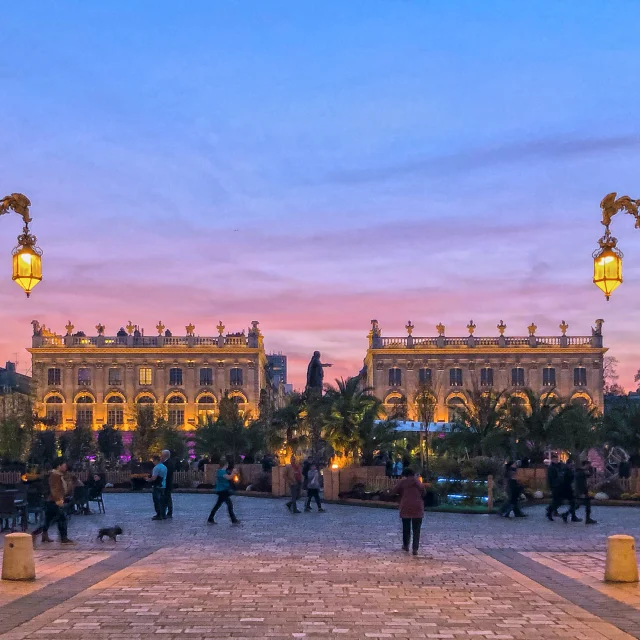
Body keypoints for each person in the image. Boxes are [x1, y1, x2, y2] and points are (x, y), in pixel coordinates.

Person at [31, 457, 74, 544]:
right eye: (64, 465)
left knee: (49, 520)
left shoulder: (58, 475)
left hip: (51, 500)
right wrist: (58, 499)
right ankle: (64, 538)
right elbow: (54, 489)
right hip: (53, 501)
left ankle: (41, 534)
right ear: (59, 466)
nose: (66, 468)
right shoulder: (54, 475)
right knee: (61, 518)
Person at [392, 468, 425, 556]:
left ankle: (406, 545)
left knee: (406, 527)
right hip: (418, 507)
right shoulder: (418, 482)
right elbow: (424, 492)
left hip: (405, 506)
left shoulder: (402, 482)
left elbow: (394, 491)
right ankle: (415, 548)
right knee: (416, 529)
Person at [207, 456, 240, 524]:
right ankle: (233, 519)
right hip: (223, 490)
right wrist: (234, 473)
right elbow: (228, 478)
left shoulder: (220, 471)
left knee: (218, 505)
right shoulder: (221, 472)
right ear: (226, 465)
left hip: (222, 490)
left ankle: (210, 518)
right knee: (229, 505)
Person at [560, 458, 582, 523]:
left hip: (567, 489)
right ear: (569, 464)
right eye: (572, 463)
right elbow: (569, 480)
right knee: (575, 504)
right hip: (568, 490)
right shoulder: (567, 471)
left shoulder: (565, 470)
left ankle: (571, 516)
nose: (573, 465)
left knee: (573, 504)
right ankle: (568, 515)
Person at [575, 459, 597, 524]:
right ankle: (566, 514)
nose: (589, 466)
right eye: (588, 465)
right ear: (586, 465)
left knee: (585, 505)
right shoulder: (581, 472)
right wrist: (581, 492)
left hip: (583, 491)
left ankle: (588, 519)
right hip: (581, 491)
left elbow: (589, 476)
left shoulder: (581, 472)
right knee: (579, 505)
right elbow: (581, 483)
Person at [545, 454, 564, 521]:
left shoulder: (559, 466)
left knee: (558, 500)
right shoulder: (551, 467)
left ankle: (551, 510)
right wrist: (551, 486)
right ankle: (550, 511)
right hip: (555, 486)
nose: (556, 460)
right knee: (556, 500)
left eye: (557, 459)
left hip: (559, 485)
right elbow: (550, 478)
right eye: (555, 459)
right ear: (552, 460)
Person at [149, 455, 168, 520]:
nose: (153, 462)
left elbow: (154, 478)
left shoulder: (156, 468)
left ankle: (158, 514)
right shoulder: (164, 467)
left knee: (157, 501)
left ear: (156, 460)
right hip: (163, 485)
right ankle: (163, 514)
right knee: (162, 501)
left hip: (157, 485)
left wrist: (148, 479)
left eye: (153, 460)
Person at [162, 450, 175, 519]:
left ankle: (167, 512)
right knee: (167, 498)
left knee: (167, 497)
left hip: (167, 483)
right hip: (168, 483)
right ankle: (166, 512)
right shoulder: (168, 462)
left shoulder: (168, 463)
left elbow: (167, 473)